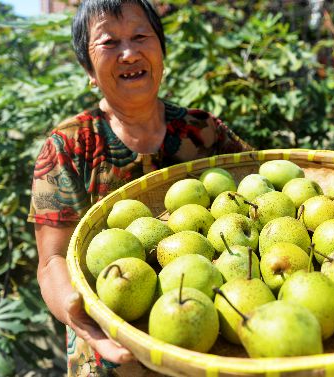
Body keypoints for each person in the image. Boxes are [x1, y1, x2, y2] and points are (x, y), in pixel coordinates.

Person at [28, 1, 250, 376]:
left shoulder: (203, 130)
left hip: (206, 340)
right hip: (114, 350)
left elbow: (269, 190)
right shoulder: (68, 146)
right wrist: (80, 313)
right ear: (88, 68)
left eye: (140, 36)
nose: (129, 52)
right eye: (109, 42)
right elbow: (51, 261)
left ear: (161, 51)